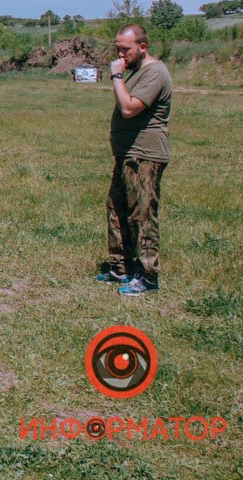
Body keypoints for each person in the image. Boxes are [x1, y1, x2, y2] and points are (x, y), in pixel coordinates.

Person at [97, 24, 172, 296]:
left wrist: (117, 76)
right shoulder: (137, 72)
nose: (120, 55)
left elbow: (129, 108)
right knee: (117, 209)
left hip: (145, 155)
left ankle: (147, 276)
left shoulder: (155, 72)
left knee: (142, 214)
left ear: (142, 47)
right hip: (128, 154)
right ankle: (122, 267)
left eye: (125, 49)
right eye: (117, 49)